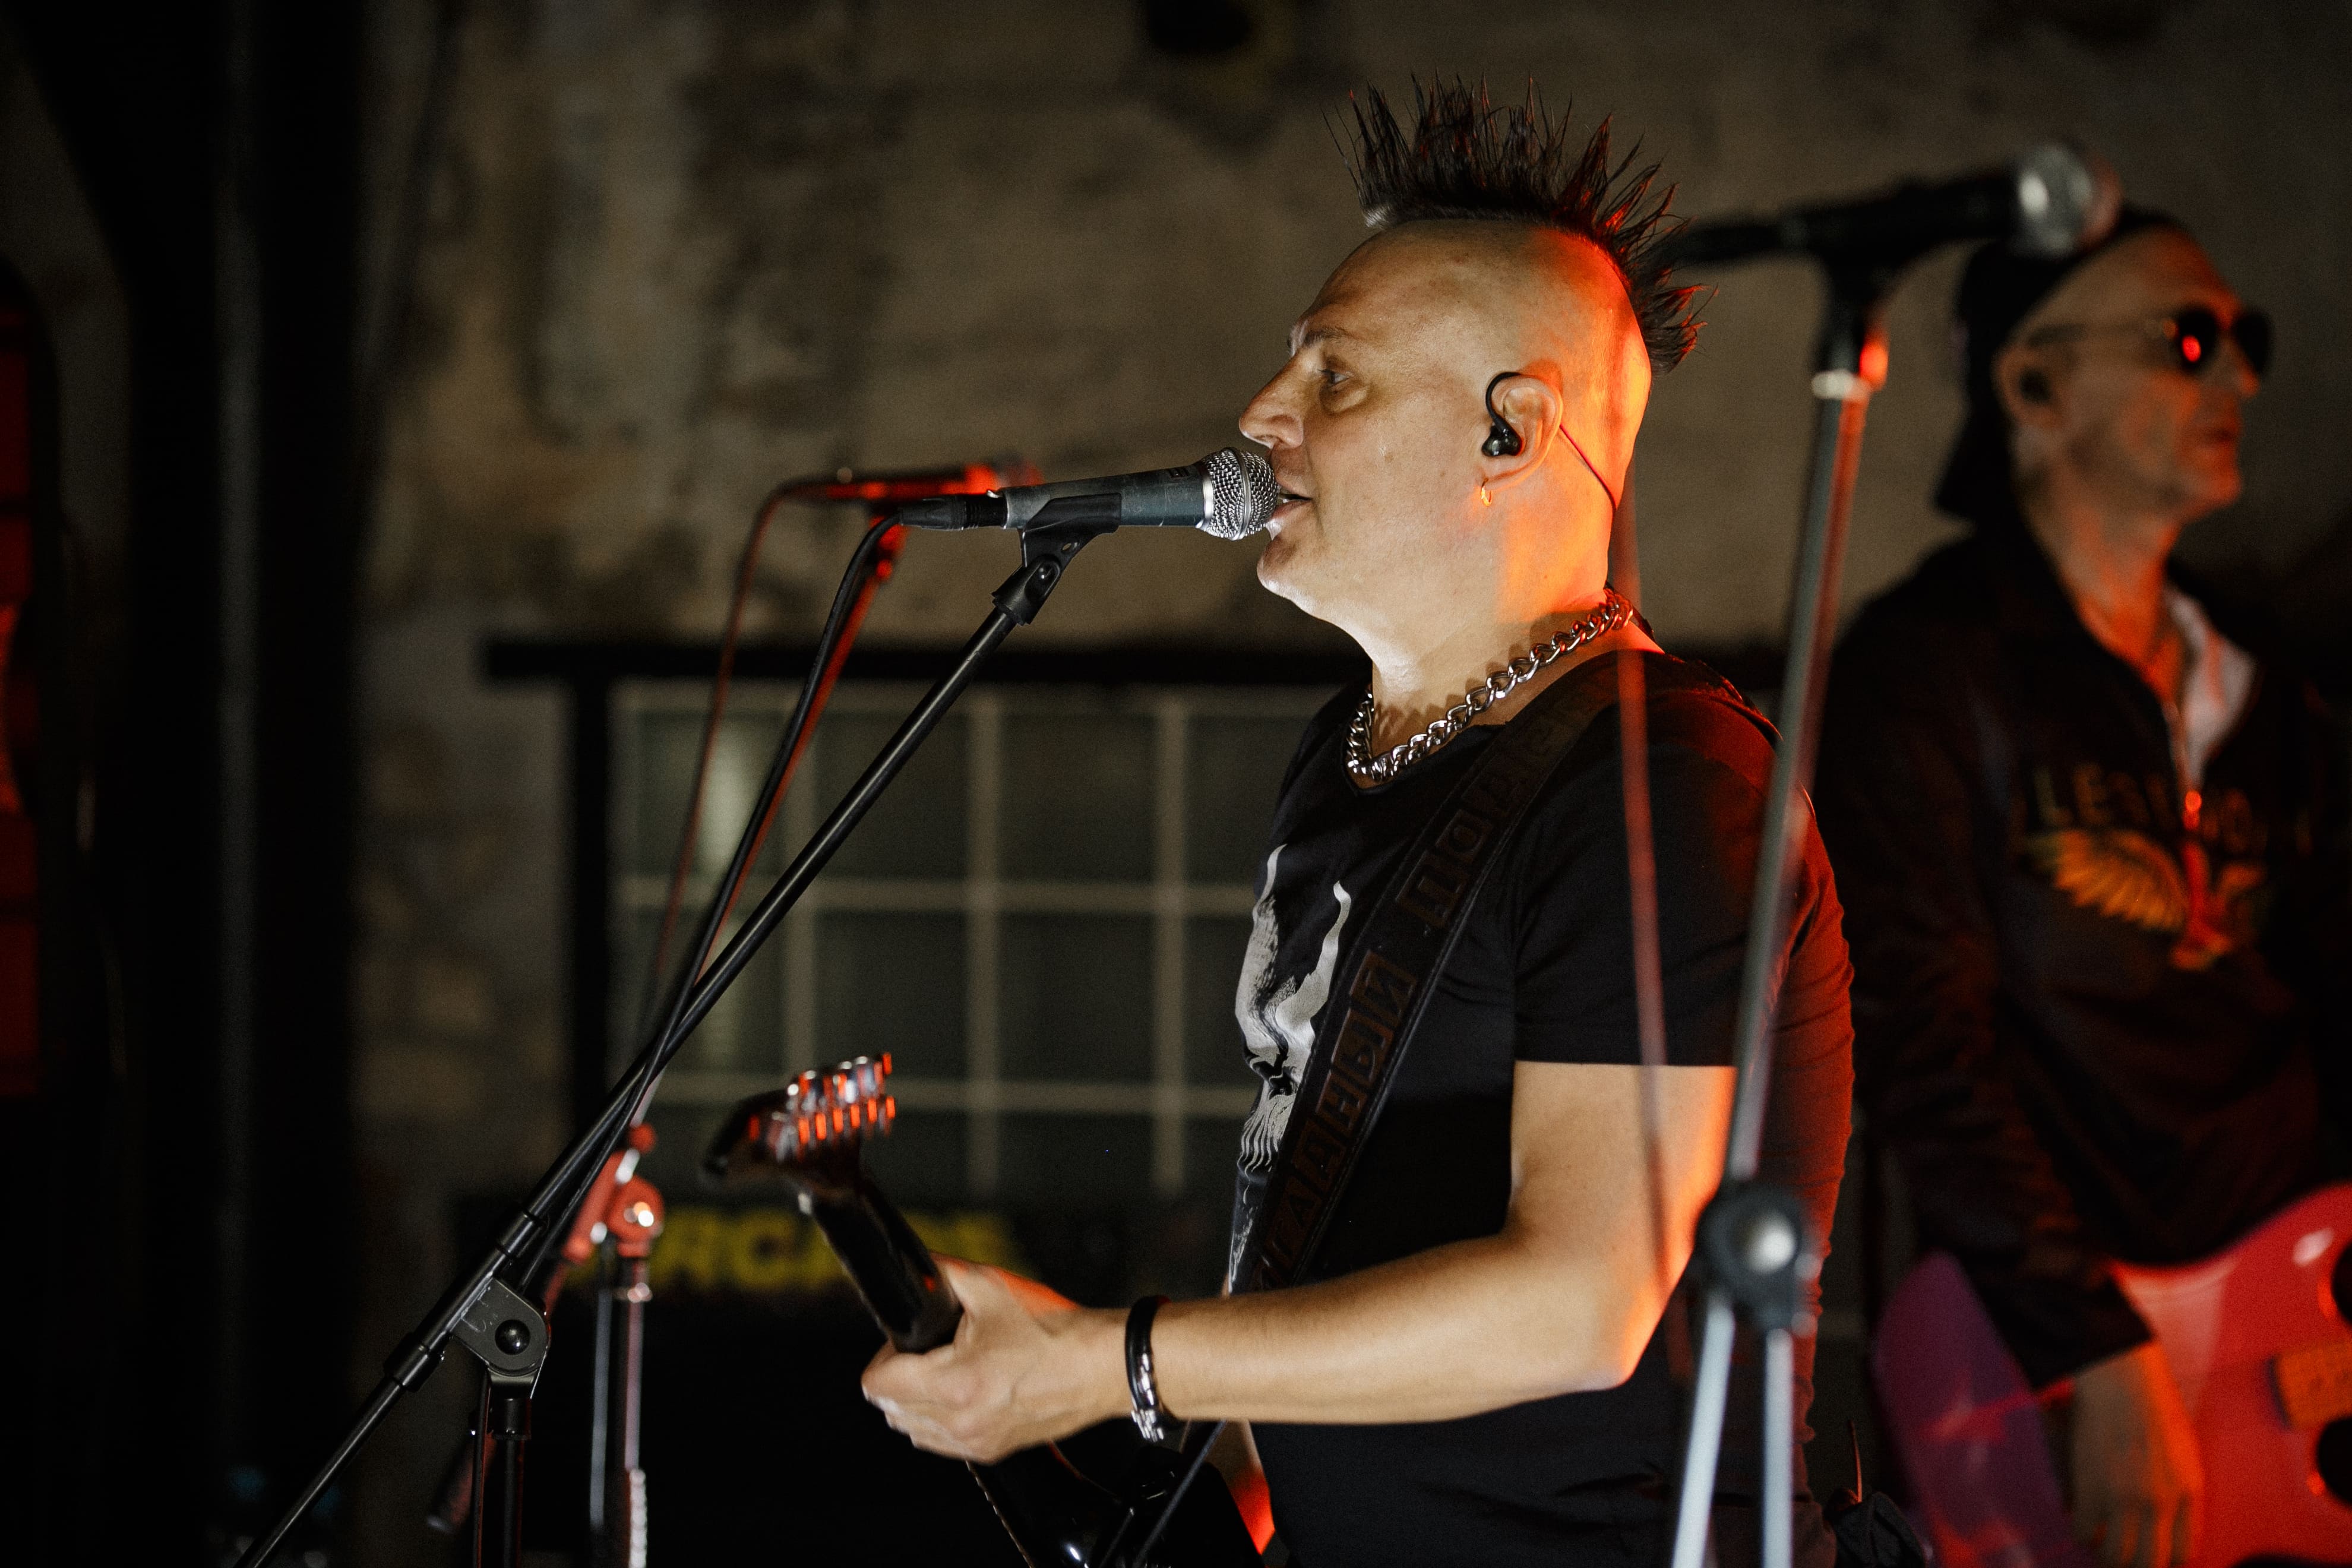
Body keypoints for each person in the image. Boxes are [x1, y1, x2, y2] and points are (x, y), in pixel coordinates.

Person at [861, 81, 1855, 1567]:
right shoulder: (1350, 760)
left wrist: (1118, 1362)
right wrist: (1178, 1442)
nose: (1261, 421)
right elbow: (1319, 1225)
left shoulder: (1665, 785)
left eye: (1335, 380)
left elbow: (1583, 1304)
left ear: (1513, 432)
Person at [1818, 216, 2350, 1568]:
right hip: (2054, 1344)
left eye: (2246, 341)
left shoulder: (2275, 689)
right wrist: (2095, 1345)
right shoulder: (1927, 670)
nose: (2240, 376)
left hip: (2294, 1309)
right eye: (2189, 341)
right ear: (2034, 386)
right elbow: (1920, 1044)